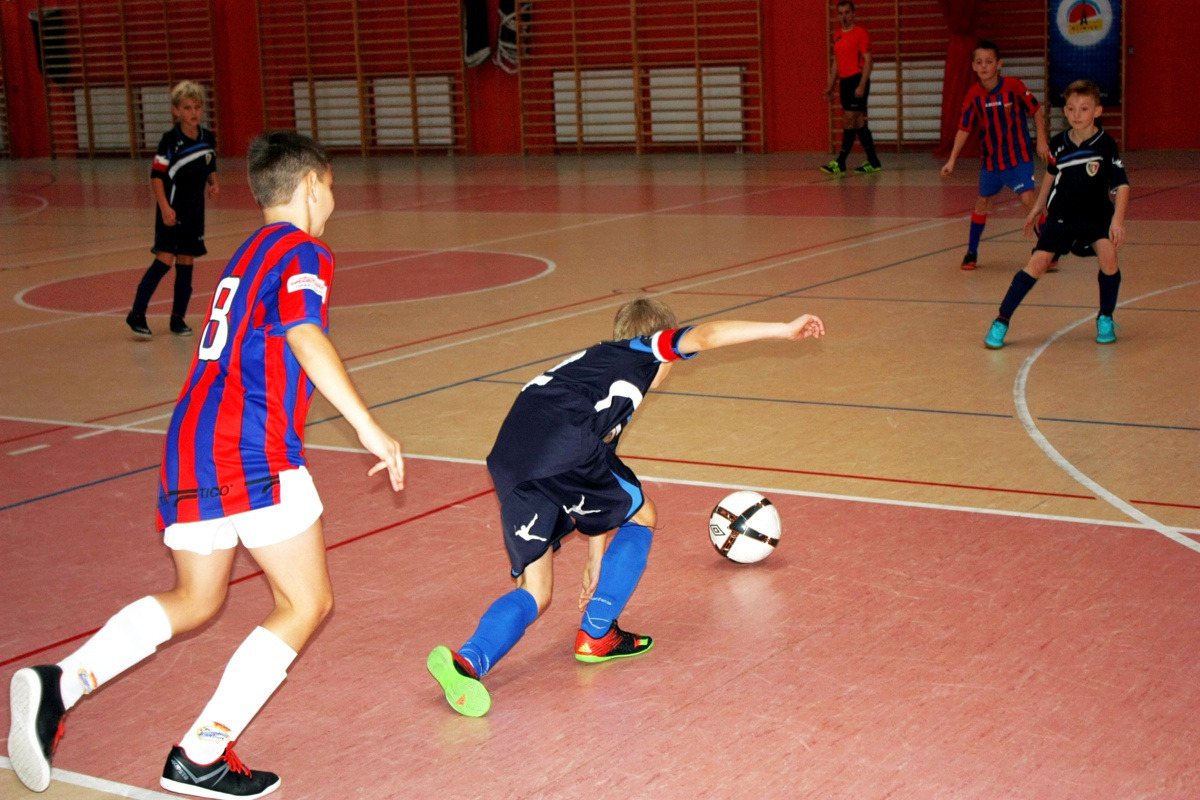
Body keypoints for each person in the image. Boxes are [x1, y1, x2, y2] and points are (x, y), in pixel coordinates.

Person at [8, 131, 405, 799]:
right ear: (312, 184)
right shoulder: (303, 250)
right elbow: (304, 332)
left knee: (195, 599)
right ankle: (202, 752)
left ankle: (61, 683)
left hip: (189, 441)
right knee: (306, 602)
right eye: (332, 186)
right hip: (251, 449)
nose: (334, 201)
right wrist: (369, 426)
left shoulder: (246, 254)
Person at [427, 299, 826, 717]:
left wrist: (595, 557)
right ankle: (597, 633)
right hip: (563, 445)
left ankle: (467, 662)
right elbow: (706, 335)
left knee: (535, 590)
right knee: (645, 514)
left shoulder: (594, 375)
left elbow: (599, 487)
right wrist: (783, 329)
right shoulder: (643, 353)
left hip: (512, 458)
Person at [984, 80, 1129, 349]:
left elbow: (1121, 186)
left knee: (1109, 258)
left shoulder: (1106, 145)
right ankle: (1001, 320)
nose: (1076, 114)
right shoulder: (1058, 144)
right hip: (1062, 216)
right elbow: (1051, 174)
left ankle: (1105, 317)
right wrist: (1038, 206)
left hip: (1096, 217)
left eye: (1084, 108)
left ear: (1097, 111)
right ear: (1064, 111)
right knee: (1038, 263)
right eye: (1071, 108)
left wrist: (1117, 221)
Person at [940, 41, 1050, 271]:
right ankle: (971, 252)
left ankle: (1048, 247)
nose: (984, 66)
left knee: (1028, 199)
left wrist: (1041, 139)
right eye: (979, 62)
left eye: (989, 62)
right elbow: (964, 128)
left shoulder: (1013, 86)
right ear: (973, 66)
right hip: (991, 162)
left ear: (999, 64)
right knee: (982, 203)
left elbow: (1037, 109)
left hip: (1018, 158)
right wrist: (952, 159)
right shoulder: (973, 95)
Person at [126, 80, 219, 338]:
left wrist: (213, 183)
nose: (193, 112)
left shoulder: (207, 138)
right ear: (176, 110)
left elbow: (209, 164)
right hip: (172, 211)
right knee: (164, 260)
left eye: (197, 107)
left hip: (195, 212)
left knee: (186, 262)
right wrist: (165, 207)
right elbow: (156, 177)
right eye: (187, 108)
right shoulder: (170, 141)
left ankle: (178, 318)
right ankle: (136, 313)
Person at [821, 1, 882, 175]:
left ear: (853, 13)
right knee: (858, 122)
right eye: (840, 13)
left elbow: (868, 61)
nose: (844, 16)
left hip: (857, 80)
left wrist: (862, 85)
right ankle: (873, 161)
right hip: (845, 83)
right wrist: (830, 86)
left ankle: (840, 162)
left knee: (849, 120)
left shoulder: (861, 33)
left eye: (847, 12)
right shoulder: (837, 35)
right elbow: (836, 63)